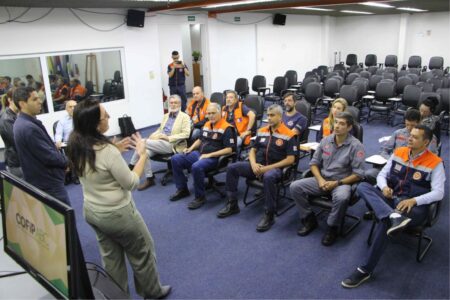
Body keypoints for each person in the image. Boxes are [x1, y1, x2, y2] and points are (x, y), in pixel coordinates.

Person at [66, 99, 171, 299]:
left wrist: (114, 148)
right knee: (143, 250)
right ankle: (152, 291)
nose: (109, 118)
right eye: (105, 116)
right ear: (96, 124)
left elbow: (97, 165)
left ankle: (117, 296)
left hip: (92, 211)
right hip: (118, 214)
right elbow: (131, 182)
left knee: (111, 259)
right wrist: (142, 155)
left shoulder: (75, 143)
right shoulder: (107, 152)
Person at [342, 125, 445, 288]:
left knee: (385, 222)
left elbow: (439, 193)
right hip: (393, 198)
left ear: (426, 142)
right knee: (363, 186)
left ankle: (366, 269)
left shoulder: (436, 163)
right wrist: (384, 187)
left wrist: (414, 201)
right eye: (410, 135)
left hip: (414, 207)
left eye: (415, 137)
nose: (409, 138)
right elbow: (382, 174)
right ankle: (392, 216)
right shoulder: (400, 152)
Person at [217, 104, 297, 232]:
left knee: (269, 176)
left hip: (276, 168)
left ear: (280, 117)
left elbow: (290, 159)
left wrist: (267, 168)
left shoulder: (289, 134)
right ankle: (232, 204)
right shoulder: (262, 130)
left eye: (272, 115)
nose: (269, 118)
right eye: (268, 115)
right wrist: (253, 164)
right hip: (257, 166)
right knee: (232, 168)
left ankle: (269, 214)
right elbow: (252, 150)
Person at [290, 112, 365, 246]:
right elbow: (314, 163)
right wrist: (320, 180)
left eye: (342, 124)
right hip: (323, 179)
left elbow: (359, 174)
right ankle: (309, 218)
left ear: (349, 128)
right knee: (295, 187)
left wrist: (337, 183)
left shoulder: (356, 145)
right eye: (336, 122)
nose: (337, 126)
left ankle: (332, 227)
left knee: (342, 197)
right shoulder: (326, 140)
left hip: (342, 182)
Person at [170, 103, 235, 210]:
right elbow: (200, 139)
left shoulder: (227, 128)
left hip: (215, 158)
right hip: (200, 154)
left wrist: (209, 155)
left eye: (213, 113)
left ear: (220, 113)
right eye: (208, 113)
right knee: (176, 158)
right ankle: (182, 189)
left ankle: (200, 197)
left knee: (196, 166)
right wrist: (190, 149)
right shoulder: (207, 124)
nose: (211, 116)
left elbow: (230, 149)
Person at [13, 87, 70, 204]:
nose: (40, 101)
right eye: (34, 99)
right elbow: (48, 156)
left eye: (39, 98)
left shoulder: (21, 123)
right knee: (65, 220)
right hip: (49, 185)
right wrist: (66, 162)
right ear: (22, 104)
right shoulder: (29, 128)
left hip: (41, 181)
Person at [129, 94, 191, 191]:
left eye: (175, 103)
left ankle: (130, 167)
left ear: (180, 104)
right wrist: (153, 135)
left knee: (141, 142)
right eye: (171, 103)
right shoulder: (166, 116)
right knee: (144, 152)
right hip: (159, 143)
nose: (173, 105)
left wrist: (168, 138)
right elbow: (160, 129)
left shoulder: (185, 117)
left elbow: (186, 134)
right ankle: (150, 178)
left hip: (173, 145)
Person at [0, 91, 22, 178]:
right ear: (10, 100)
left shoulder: (16, 115)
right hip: (16, 163)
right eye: (17, 100)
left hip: (20, 160)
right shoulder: (6, 119)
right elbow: (17, 141)